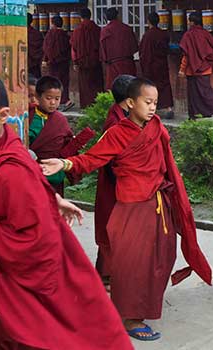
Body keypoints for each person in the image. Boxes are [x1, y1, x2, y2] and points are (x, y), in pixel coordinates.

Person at [0, 68, 132, 349]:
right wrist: (50, 197)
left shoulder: (10, 168)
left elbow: (37, 243)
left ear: (2, 116)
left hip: (14, 287)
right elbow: (30, 173)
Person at [41, 78, 213, 341]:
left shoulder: (156, 127)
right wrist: (64, 164)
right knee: (133, 263)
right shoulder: (118, 132)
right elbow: (92, 158)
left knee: (161, 257)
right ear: (131, 103)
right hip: (132, 205)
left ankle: (142, 307)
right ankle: (131, 318)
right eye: (147, 102)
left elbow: (166, 162)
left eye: (155, 102)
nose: (153, 108)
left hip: (157, 203)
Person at [93, 74, 136, 280]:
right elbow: (111, 158)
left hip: (119, 183)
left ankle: (110, 273)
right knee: (113, 229)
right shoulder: (115, 122)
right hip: (114, 184)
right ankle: (107, 276)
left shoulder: (121, 116)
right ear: (129, 100)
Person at [29, 76, 75, 195]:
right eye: (48, 98)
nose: (53, 103)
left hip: (55, 173)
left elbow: (67, 144)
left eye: (57, 99)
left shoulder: (60, 120)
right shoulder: (28, 117)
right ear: (38, 97)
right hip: (34, 172)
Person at [179, 12, 213, 119]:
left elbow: (186, 55)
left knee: (193, 94)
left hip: (191, 70)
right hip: (205, 69)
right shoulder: (205, 33)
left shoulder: (188, 35)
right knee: (206, 91)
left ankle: (193, 115)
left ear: (191, 22)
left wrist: (182, 69)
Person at [140, 12, 175, 118]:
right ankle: (168, 108)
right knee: (164, 85)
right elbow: (166, 49)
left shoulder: (147, 35)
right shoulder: (163, 34)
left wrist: (144, 66)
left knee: (151, 88)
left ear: (148, 22)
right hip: (162, 64)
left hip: (151, 65)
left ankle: (152, 110)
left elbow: (144, 52)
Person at [71, 7, 103, 108]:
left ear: (80, 17)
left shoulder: (77, 30)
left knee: (85, 85)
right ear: (90, 15)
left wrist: (75, 62)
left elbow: (74, 47)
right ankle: (97, 105)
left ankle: (86, 106)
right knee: (96, 83)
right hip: (96, 61)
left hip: (82, 61)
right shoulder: (97, 29)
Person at [100, 8, 139, 90]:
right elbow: (135, 47)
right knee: (129, 88)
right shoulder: (127, 28)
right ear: (118, 16)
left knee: (114, 89)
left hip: (113, 65)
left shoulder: (105, 30)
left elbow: (103, 51)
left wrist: (106, 60)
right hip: (128, 63)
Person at [43, 15, 73, 110]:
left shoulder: (50, 34)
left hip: (53, 64)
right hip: (63, 63)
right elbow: (68, 48)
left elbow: (47, 48)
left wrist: (46, 59)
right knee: (64, 81)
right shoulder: (65, 35)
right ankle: (65, 100)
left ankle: (54, 102)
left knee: (54, 82)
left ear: (53, 24)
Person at [27, 15, 44, 80]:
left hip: (23, 64)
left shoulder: (18, 33)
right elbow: (42, 48)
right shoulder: (37, 34)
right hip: (34, 65)